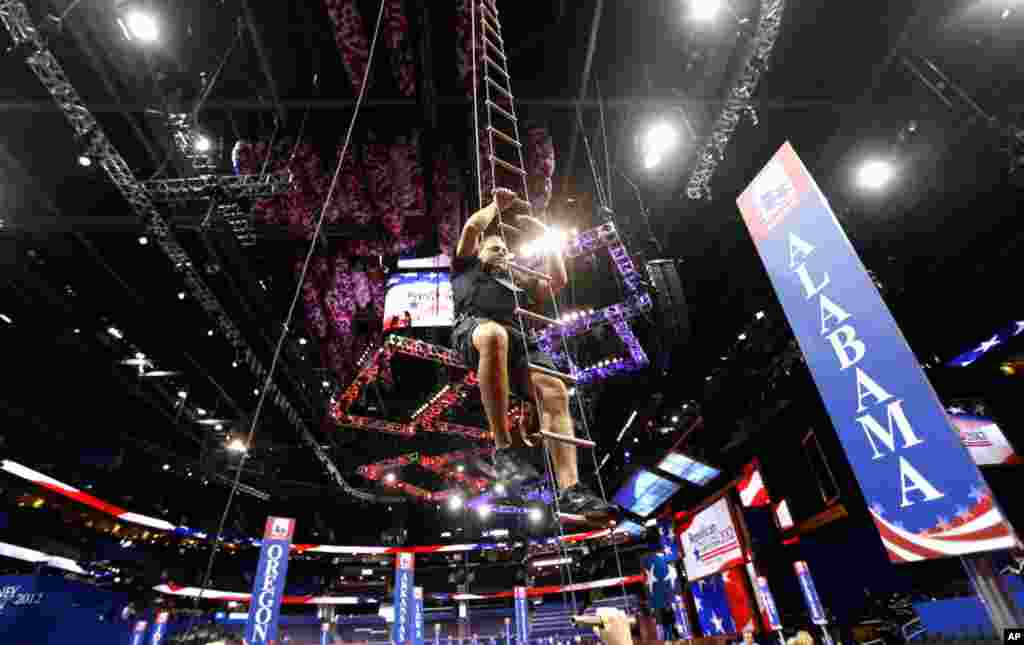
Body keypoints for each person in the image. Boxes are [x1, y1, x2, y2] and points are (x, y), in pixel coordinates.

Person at [451, 187, 612, 518]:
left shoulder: (519, 280)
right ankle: (503, 448)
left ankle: (571, 490)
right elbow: (471, 229)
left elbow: (557, 280)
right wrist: (497, 206)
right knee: (494, 335)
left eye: (505, 250)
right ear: (480, 253)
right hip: (476, 328)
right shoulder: (467, 268)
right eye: (494, 248)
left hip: (519, 338)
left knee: (555, 390)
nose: (501, 253)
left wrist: (547, 238)